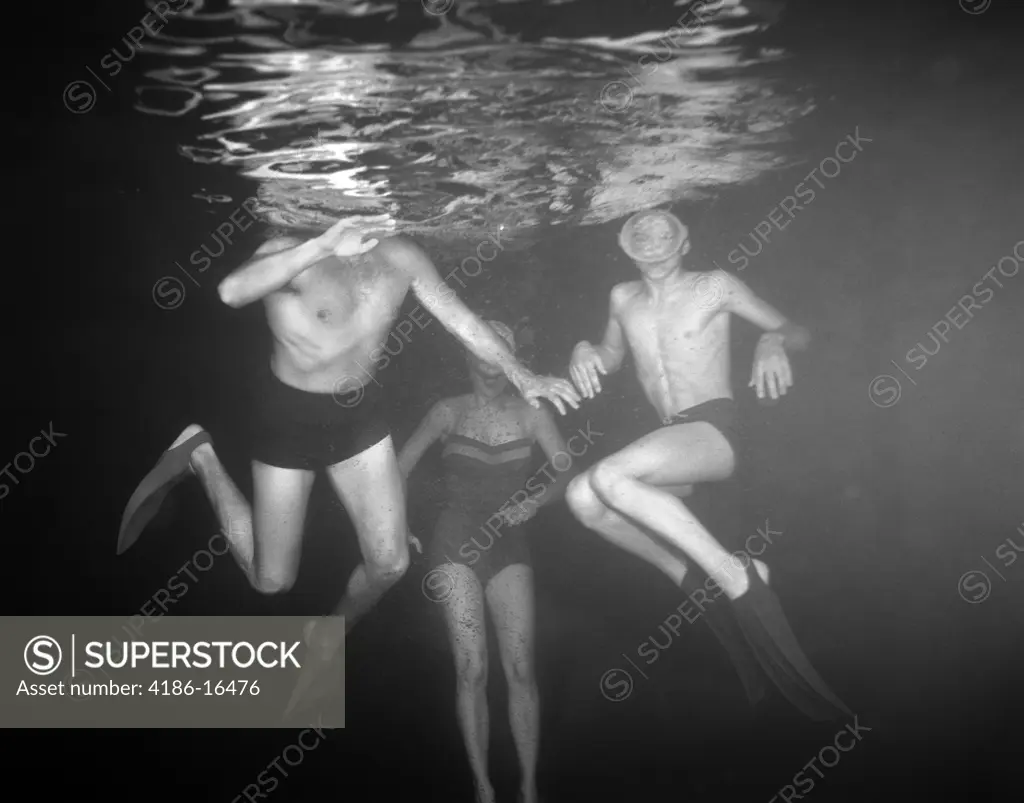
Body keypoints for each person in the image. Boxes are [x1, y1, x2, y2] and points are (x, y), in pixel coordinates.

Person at [117, 215, 580, 653]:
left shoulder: (402, 255)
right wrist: (321, 245)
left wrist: (523, 375)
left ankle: (329, 636)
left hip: (359, 418)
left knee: (391, 565)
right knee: (271, 581)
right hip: (289, 420)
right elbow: (231, 291)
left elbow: (462, 322)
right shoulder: (290, 251)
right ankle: (200, 454)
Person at [566, 208, 850, 721]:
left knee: (611, 476)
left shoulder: (715, 285)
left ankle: (737, 576)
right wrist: (583, 350)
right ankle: (690, 579)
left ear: (684, 241)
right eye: (641, 235)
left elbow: (797, 330)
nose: (652, 244)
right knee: (582, 497)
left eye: (663, 234)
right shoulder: (621, 297)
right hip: (676, 439)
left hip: (718, 429)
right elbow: (610, 356)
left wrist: (770, 341)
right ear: (626, 244)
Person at [398, 320, 570, 803]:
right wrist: (395, 526)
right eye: (481, 346)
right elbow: (399, 467)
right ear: (466, 354)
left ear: (514, 357)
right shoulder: (446, 411)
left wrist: (538, 500)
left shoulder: (533, 413)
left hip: (510, 542)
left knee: (520, 669)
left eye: (503, 348)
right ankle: (483, 788)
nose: (491, 357)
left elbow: (566, 467)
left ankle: (529, 788)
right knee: (472, 668)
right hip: (453, 539)